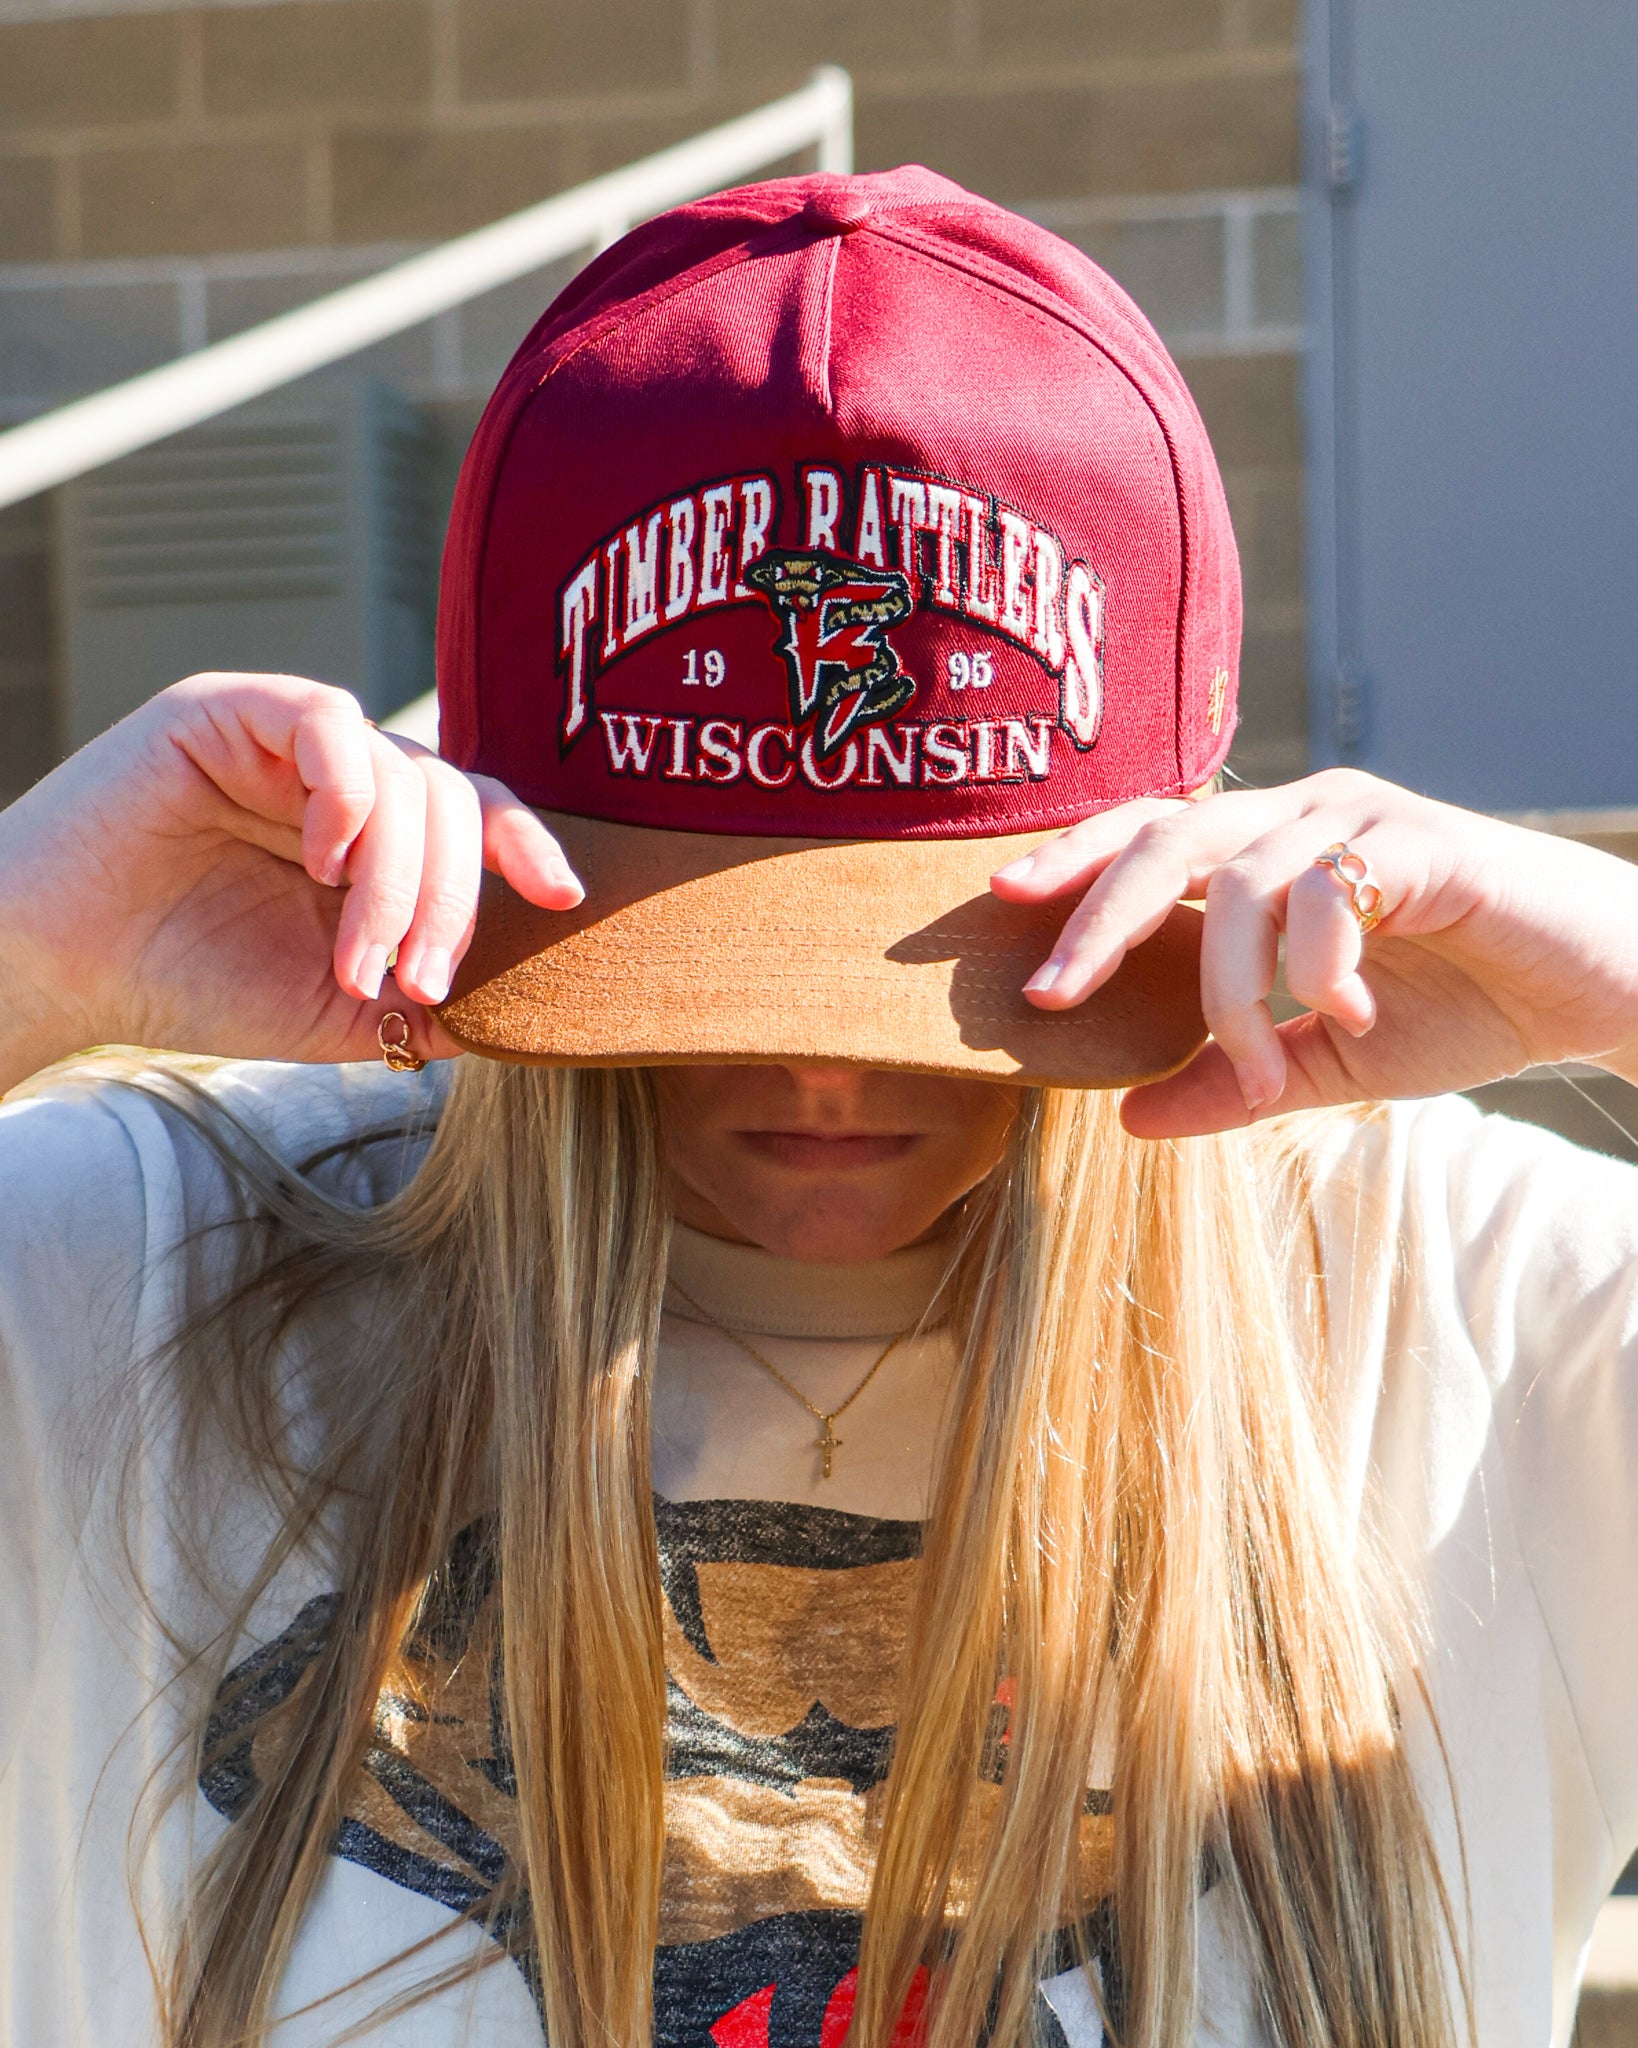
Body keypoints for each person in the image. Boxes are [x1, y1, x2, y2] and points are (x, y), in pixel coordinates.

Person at [2, 165, 1637, 2048]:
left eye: (939, 969)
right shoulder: (129, 1279)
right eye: (703, 960)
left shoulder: (1466, 1309)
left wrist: (1613, 980)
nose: (820, 1068)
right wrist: (27, 960)